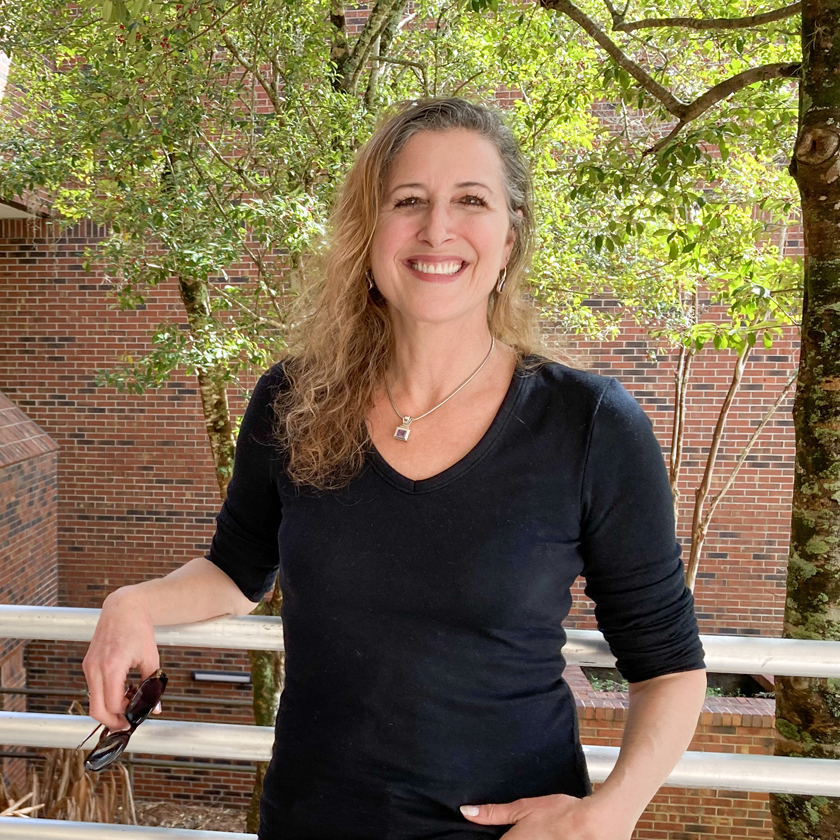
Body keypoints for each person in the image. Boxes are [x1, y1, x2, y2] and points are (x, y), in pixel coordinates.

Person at [83, 97, 706, 840]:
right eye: (407, 201)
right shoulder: (293, 399)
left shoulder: (590, 423)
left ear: (510, 237)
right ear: (369, 235)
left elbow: (667, 663)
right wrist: (132, 603)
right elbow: (237, 573)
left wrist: (611, 813)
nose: (437, 229)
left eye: (470, 200)